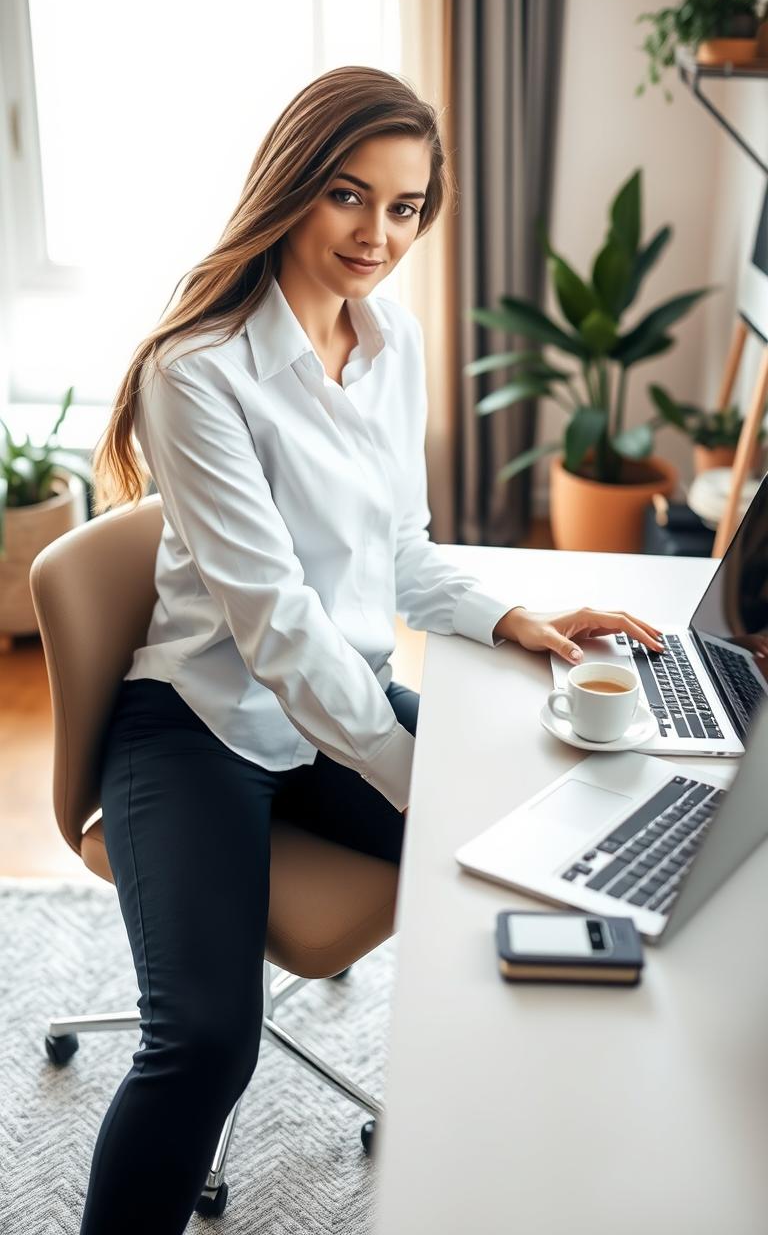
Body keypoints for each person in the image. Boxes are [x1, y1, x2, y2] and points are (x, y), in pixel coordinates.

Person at [83, 65, 664, 1232]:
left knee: (546, 839)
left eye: (405, 208)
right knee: (201, 1040)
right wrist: (419, 777)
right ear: (293, 187)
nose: (378, 235)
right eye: (351, 196)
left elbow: (400, 548)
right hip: (201, 725)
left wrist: (511, 619)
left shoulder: (389, 342)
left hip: (340, 705)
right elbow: (276, 626)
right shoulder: (194, 373)